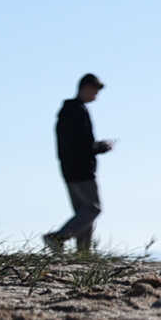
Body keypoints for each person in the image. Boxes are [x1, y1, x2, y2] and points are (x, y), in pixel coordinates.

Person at [45, 74, 114, 254]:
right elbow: (82, 144)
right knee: (92, 209)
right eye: (95, 91)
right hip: (81, 169)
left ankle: (83, 253)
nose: (96, 96)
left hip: (69, 168)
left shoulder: (69, 110)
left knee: (83, 213)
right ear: (86, 88)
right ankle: (59, 237)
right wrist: (100, 147)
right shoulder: (76, 111)